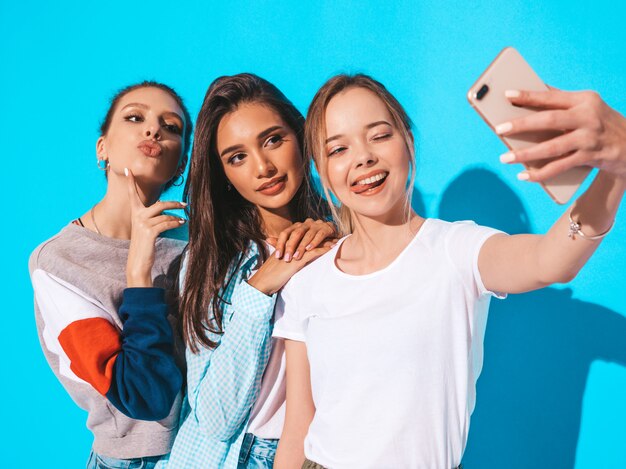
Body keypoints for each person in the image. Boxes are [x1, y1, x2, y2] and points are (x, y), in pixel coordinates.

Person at [273, 74, 626, 469]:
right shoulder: (307, 280)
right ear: (322, 170)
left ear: (407, 141)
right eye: (338, 149)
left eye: (379, 135)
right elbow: (298, 427)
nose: (363, 157)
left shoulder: (455, 249)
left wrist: (617, 169)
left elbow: (550, 261)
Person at [161, 73, 335, 469]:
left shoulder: (341, 243)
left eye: (273, 139)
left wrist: (336, 241)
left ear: (300, 136)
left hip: (315, 454)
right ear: (223, 173)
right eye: (237, 157)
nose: (263, 167)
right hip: (229, 456)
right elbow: (216, 419)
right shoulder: (212, 262)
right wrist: (258, 289)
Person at [29, 81, 193, 469]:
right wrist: (138, 270)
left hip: (211, 452)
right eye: (135, 118)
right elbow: (142, 394)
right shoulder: (59, 262)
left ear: (181, 163)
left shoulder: (199, 242)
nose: (153, 130)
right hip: (134, 461)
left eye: (171, 127)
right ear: (102, 148)